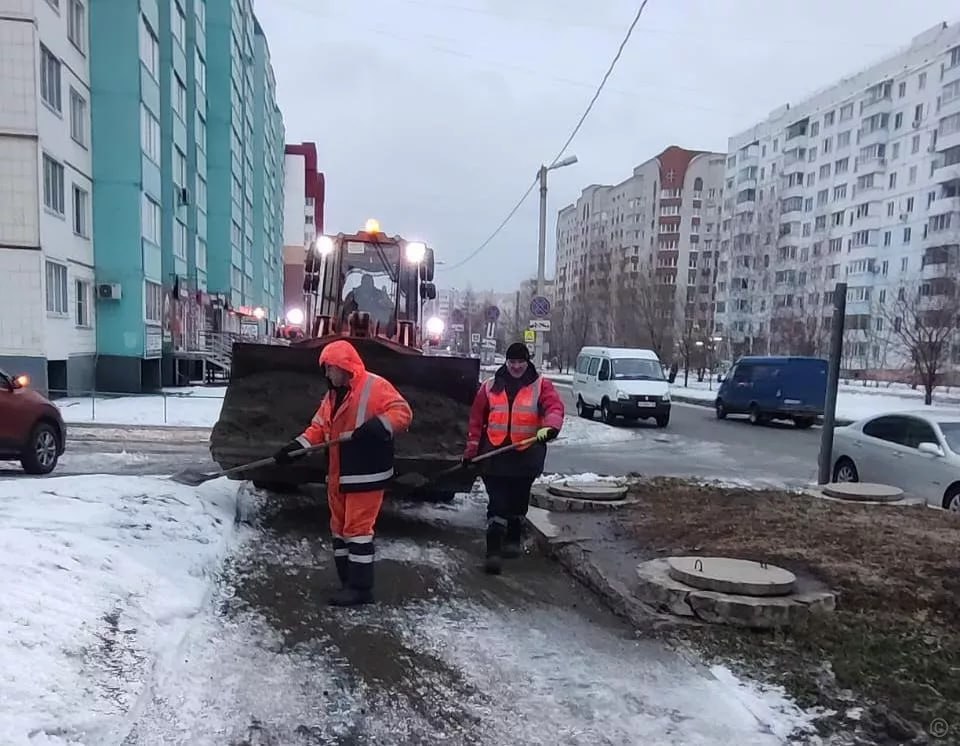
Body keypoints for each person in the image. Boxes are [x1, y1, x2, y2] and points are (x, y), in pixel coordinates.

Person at [273, 339, 413, 606]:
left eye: (330, 369)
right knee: (339, 529)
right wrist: (295, 448)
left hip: (366, 473)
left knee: (358, 530)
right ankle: (347, 582)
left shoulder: (375, 386)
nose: (326, 374)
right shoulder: (332, 396)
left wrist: (379, 425)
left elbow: (403, 412)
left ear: (344, 366)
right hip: (338, 474)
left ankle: (361, 589)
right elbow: (317, 429)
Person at [464, 342, 564, 575]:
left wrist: (550, 427)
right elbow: (476, 421)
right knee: (497, 503)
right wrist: (471, 451)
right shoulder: (490, 387)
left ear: (527, 362)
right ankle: (493, 553)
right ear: (506, 362)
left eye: (520, 362)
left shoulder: (541, 385)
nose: (516, 366)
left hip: (526, 454)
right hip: (495, 456)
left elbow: (554, 409)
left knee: (518, 502)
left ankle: (513, 538)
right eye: (512, 362)